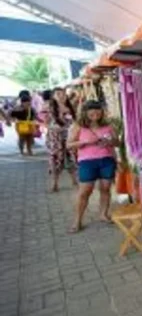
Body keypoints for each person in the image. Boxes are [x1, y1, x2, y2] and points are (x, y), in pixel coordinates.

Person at [67, 100, 119, 233]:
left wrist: (109, 141)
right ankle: (77, 221)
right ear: (85, 112)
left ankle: (103, 214)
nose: (95, 113)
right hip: (87, 162)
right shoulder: (78, 126)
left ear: (102, 112)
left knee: (105, 189)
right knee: (85, 192)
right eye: (91, 111)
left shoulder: (108, 125)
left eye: (98, 110)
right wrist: (84, 142)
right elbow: (69, 145)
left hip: (106, 160)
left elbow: (117, 143)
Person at [47, 87, 78, 192]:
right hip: (55, 139)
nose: (61, 96)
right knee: (55, 160)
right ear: (53, 97)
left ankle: (75, 181)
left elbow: (74, 122)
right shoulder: (50, 108)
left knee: (71, 158)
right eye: (58, 94)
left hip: (69, 137)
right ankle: (55, 184)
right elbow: (47, 124)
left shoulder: (70, 107)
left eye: (63, 94)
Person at [10, 92, 38, 156]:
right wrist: (13, 120)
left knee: (30, 138)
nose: (28, 103)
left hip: (30, 125)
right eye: (26, 102)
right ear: (22, 102)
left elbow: (34, 116)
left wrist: (35, 122)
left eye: (29, 101)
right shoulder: (18, 109)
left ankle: (29, 150)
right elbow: (12, 115)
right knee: (21, 138)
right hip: (21, 126)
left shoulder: (32, 109)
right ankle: (21, 151)